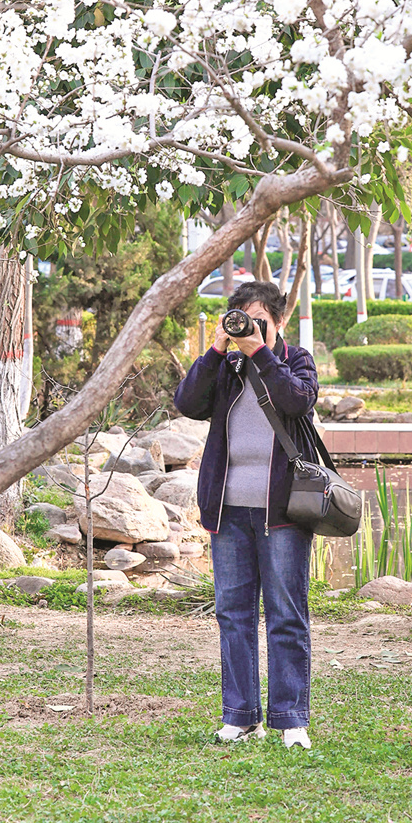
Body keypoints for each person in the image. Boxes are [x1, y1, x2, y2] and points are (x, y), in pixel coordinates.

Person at [174, 280, 318, 749]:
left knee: (286, 615)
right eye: (241, 320)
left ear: (278, 322)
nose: (249, 329)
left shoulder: (296, 361)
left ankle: (290, 718)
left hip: (283, 511)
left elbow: (296, 400)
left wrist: (261, 353)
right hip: (228, 507)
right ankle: (239, 715)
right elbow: (188, 403)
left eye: (259, 321)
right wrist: (217, 349)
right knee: (233, 614)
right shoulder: (227, 363)